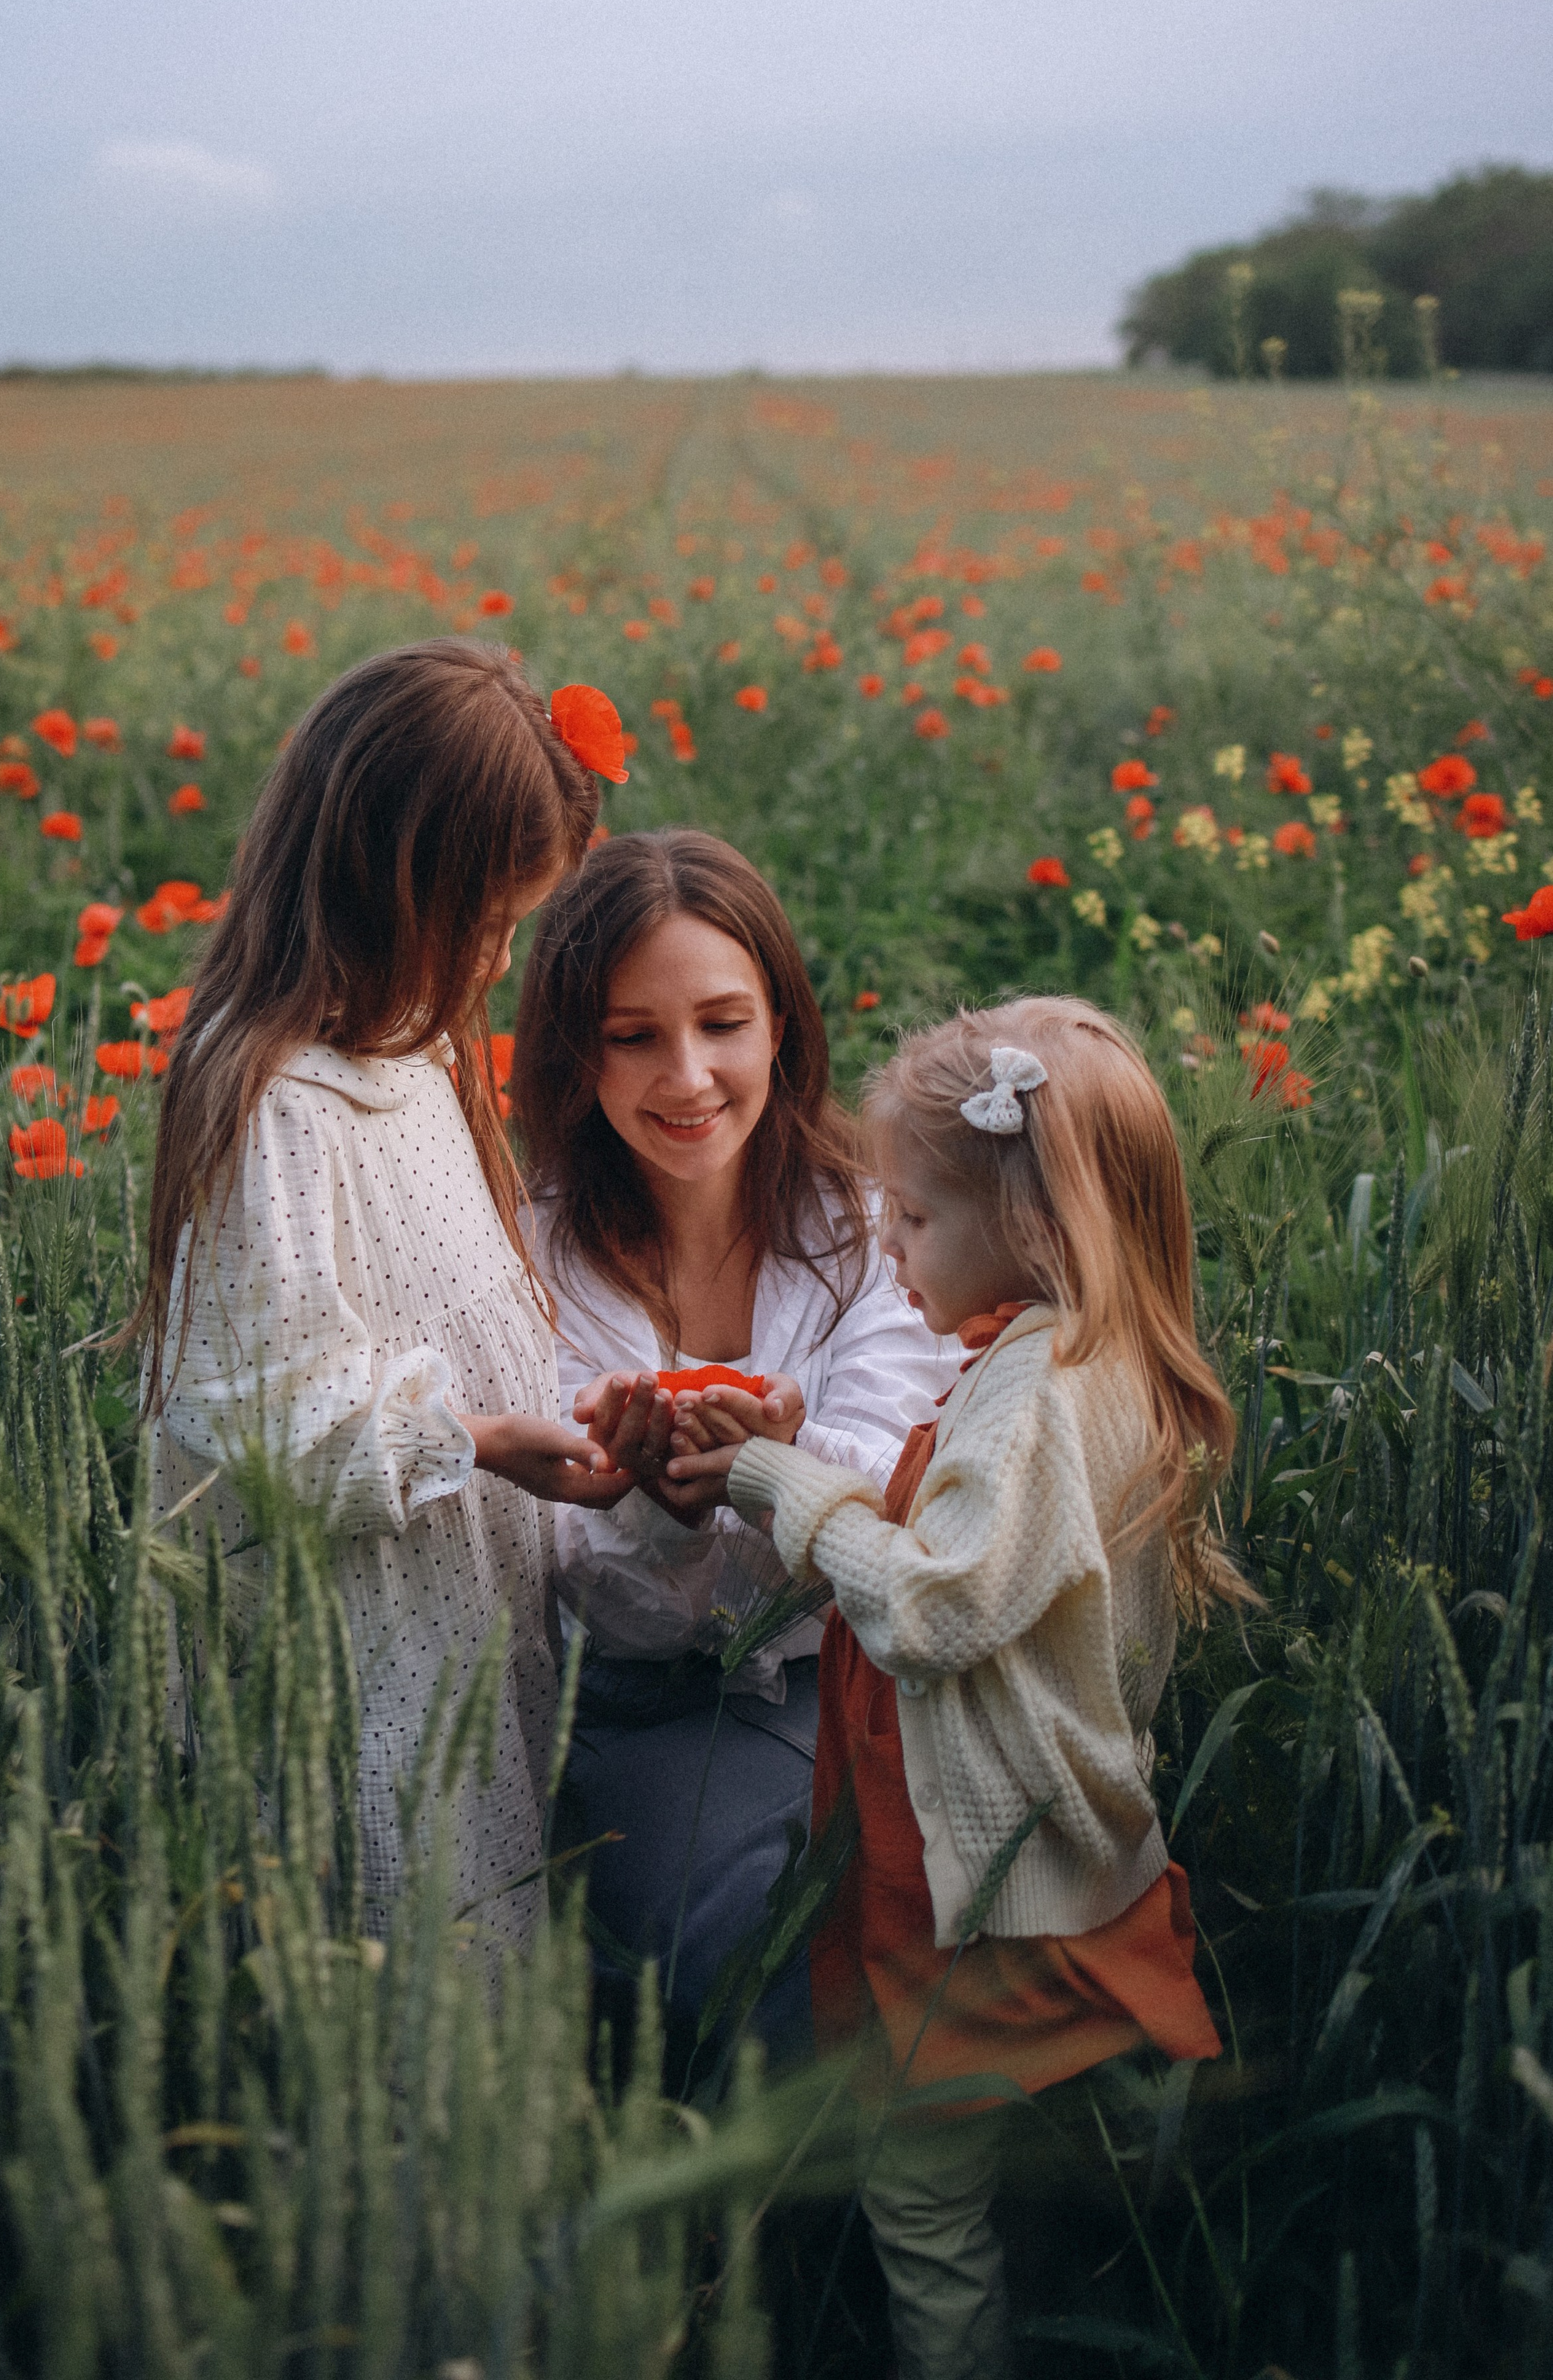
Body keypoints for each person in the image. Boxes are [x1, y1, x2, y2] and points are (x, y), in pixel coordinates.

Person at [700, 995, 1249, 2380]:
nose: (888, 1245)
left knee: (921, 2189)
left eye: (915, 1218)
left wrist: (782, 1481)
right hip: (1039, 1846)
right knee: (1068, 2147)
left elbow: (940, 1606)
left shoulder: (1034, 1392)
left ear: (1035, 1222)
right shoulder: (1082, 1356)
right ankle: (1145, 2308)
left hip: (979, 1887)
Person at [136, 642, 635, 1949]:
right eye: (485, 920)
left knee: (491, 1899)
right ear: (383, 878)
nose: (498, 953)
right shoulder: (280, 1103)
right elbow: (259, 1415)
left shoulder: (409, 1049)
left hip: (460, 1602)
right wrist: (476, 1441)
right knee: (403, 1925)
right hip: (363, 1641)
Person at [510, 829, 958, 2082]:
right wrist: (663, 1509)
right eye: (632, 1034)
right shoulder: (527, 1264)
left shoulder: (872, 1230)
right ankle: (777, 2247)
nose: (689, 1073)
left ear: (781, 1029)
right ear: (572, 1049)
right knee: (755, 1954)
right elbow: (553, 1559)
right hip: (628, 1713)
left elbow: (876, 1495)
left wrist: (777, 1471)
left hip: (855, 1688)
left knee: (952, 1922)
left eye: (722, 1021)